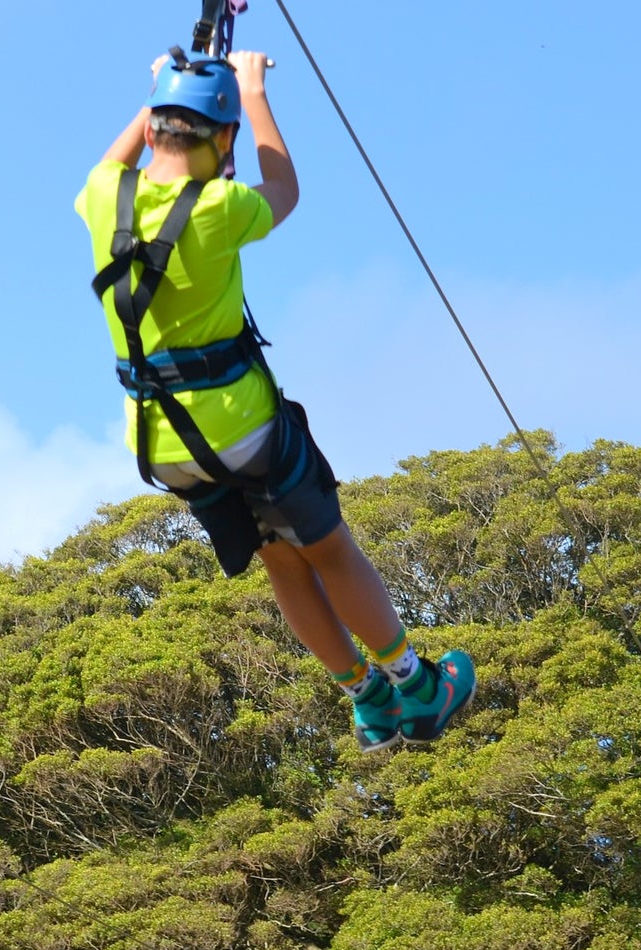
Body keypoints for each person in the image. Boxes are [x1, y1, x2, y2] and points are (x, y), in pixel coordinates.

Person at [76, 49, 475, 751]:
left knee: (277, 560)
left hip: (162, 446)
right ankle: (416, 685)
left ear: (155, 129)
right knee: (327, 550)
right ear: (221, 139)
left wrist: (166, 85)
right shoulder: (221, 208)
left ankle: (366, 699)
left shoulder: (102, 195)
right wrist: (252, 91)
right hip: (239, 428)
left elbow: (131, 144)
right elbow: (284, 188)